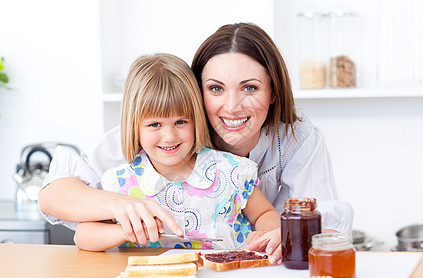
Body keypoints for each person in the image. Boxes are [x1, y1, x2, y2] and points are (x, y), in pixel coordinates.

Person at [38, 23, 353, 264]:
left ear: (273, 92)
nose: (232, 106)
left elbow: (319, 213)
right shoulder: (142, 140)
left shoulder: (263, 156)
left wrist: (280, 234)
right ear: (197, 92)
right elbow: (56, 197)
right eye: (216, 88)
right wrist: (125, 212)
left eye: (251, 87)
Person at [72, 53, 281, 253]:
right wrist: (126, 231)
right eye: (155, 124)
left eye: (180, 122)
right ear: (134, 126)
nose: (169, 136)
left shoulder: (231, 171)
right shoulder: (122, 183)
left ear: (196, 119)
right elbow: (82, 236)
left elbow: (265, 213)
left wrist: (265, 233)